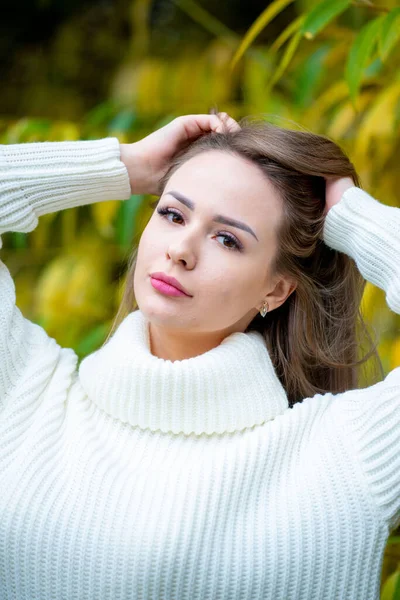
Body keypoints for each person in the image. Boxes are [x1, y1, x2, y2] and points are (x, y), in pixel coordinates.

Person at [0, 112, 398, 600]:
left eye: (227, 239)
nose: (181, 249)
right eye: (172, 214)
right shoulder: (25, 392)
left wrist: (354, 220)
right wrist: (126, 166)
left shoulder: (345, 454)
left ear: (276, 289)